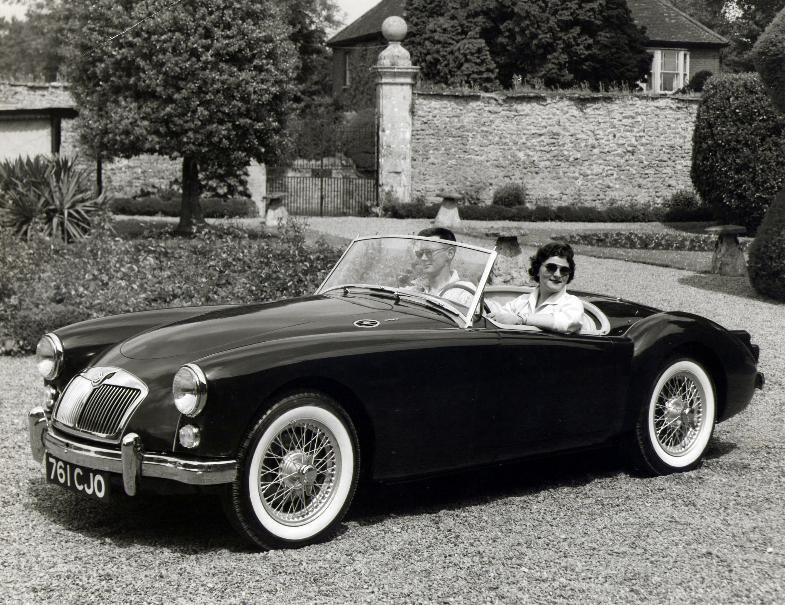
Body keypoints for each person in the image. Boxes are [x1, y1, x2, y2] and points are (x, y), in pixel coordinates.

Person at [488, 242, 584, 333]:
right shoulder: (522, 300)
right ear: (537, 270)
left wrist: (520, 319)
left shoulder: (572, 303)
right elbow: (499, 316)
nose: (557, 275)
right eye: (551, 267)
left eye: (564, 270)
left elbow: (564, 322)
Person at [406, 227, 476, 308]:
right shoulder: (414, 289)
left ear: (450, 253)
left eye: (429, 252)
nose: (423, 258)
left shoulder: (464, 292)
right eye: (420, 253)